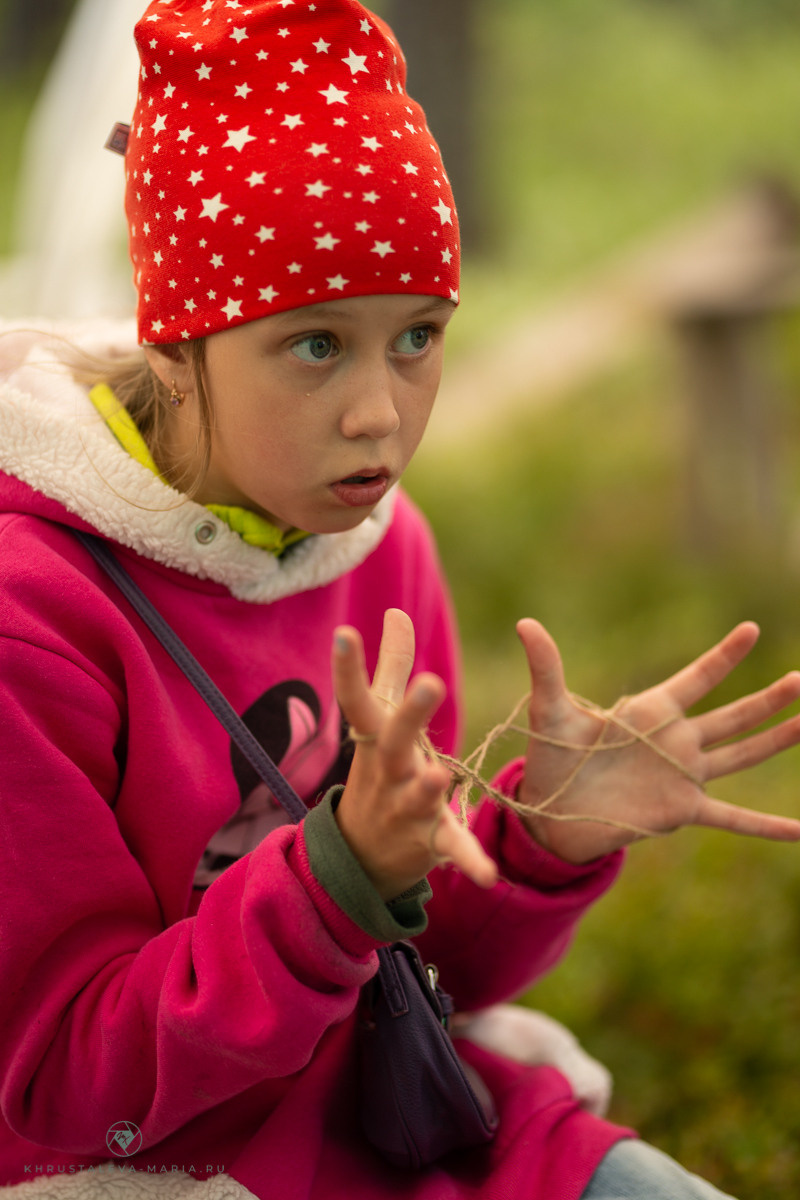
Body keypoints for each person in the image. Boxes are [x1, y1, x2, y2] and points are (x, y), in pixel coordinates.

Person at [0, 3, 799, 1198]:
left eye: (416, 337)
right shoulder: (34, 615)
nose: (380, 413)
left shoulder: (377, 545)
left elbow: (424, 972)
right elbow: (65, 1084)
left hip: (398, 1119)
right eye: (316, 345)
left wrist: (538, 843)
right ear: (175, 343)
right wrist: (329, 879)